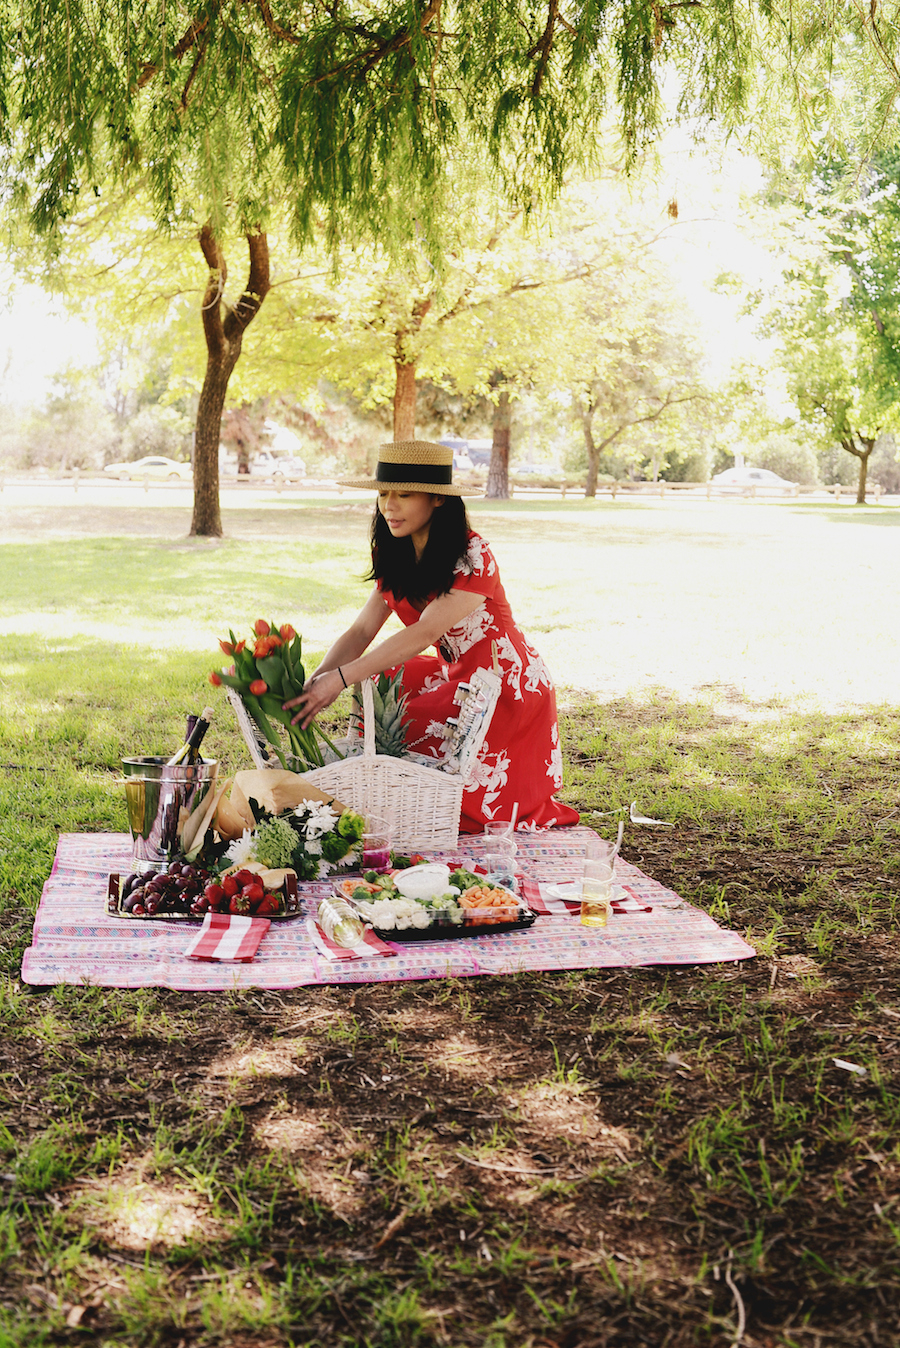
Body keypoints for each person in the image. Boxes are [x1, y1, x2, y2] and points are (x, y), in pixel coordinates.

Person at [284, 440, 579, 833]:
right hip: (456, 675)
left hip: (503, 684)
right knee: (385, 683)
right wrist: (318, 681)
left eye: (404, 494)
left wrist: (342, 679)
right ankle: (386, 796)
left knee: (462, 807)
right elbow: (360, 631)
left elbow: (425, 631)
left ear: (438, 499)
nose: (389, 505)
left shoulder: (473, 555)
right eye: (384, 493)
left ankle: (420, 804)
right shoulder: (395, 552)